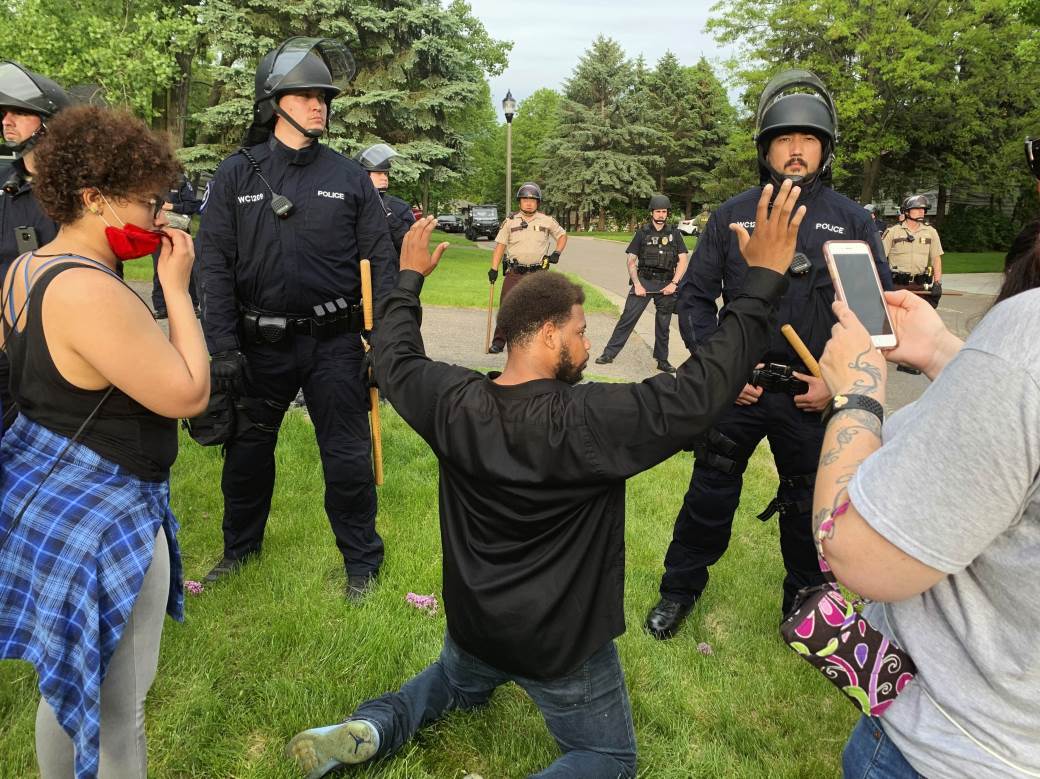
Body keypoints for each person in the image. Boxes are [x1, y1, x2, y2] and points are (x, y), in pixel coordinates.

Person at [286, 182, 807, 778]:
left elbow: (395, 356)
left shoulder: (452, 401)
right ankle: (382, 726)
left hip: (476, 624)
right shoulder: (590, 420)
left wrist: (408, 279)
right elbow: (701, 391)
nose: (587, 344)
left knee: (455, 681)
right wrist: (762, 281)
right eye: (581, 332)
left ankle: (373, 727)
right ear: (550, 334)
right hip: (561, 647)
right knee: (610, 758)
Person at [645, 69, 892, 640]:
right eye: (784, 139)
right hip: (741, 388)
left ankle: (805, 602)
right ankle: (679, 590)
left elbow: (871, 318)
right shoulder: (732, 215)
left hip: (811, 395)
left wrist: (836, 384)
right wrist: (724, 371)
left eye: (808, 139)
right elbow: (695, 300)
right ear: (765, 149)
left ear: (825, 149)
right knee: (709, 493)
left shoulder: (851, 222)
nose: (796, 150)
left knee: (809, 506)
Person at [0, 105, 208, 779]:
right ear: (93, 198)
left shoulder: (25, 269)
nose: (159, 217)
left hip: (50, 505)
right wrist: (176, 291)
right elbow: (188, 393)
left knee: (63, 686)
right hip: (106, 515)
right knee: (119, 711)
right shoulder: (92, 290)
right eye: (148, 203)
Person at [813, 217, 1040, 779]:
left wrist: (857, 394)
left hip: (959, 743)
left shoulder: (1028, 335)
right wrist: (943, 352)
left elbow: (858, 555)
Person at [195, 37, 397, 599]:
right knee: (247, 454)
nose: (319, 106)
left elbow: (381, 264)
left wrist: (384, 343)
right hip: (258, 347)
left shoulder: (349, 177)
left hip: (335, 347)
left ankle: (361, 562)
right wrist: (222, 348)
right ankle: (240, 551)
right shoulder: (236, 175)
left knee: (348, 457)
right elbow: (213, 265)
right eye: (306, 95)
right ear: (273, 102)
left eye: (324, 97)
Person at [0, 61, 70, 429]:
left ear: (47, 122)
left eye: (19, 112)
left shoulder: (78, 191)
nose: (6, 121)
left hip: (57, 349)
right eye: (3, 113)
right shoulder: (3, 182)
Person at [595, 194, 689, 372]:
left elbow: (683, 259)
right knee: (627, 319)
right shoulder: (642, 233)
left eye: (664, 211)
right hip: (644, 282)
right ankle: (609, 354)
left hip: (666, 284)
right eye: (658, 211)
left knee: (663, 325)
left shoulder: (675, 234)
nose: (661, 215)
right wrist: (637, 285)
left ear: (667, 213)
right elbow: (631, 261)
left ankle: (662, 360)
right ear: (652, 212)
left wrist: (674, 284)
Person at [486, 182, 567, 353]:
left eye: (532, 200)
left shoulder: (547, 220)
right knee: (507, 305)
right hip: (515, 272)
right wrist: (493, 268)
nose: (529, 203)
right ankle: (499, 342)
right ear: (520, 202)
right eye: (525, 200)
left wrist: (557, 252)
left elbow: (562, 235)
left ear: (538, 202)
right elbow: (500, 246)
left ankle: (539, 342)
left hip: (538, 274)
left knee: (541, 309)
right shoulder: (510, 222)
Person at [150, 173, 203, 318]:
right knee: (159, 268)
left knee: (186, 267)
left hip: (179, 232)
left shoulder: (181, 180)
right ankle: (162, 307)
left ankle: (193, 305)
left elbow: (192, 206)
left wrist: (172, 206)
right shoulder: (150, 179)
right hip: (159, 232)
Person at [882, 194, 943, 309]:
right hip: (897, 287)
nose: (922, 212)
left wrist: (937, 283)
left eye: (923, 209)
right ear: (906, 212)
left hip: (920, 287)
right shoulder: (892, 232)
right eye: (917, 208)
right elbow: (880, 259)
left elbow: (936, 259)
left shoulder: (931, 232)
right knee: (896, 318)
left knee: (919, 318)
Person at [354, 143, 416, 253]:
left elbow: (411, 245)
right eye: (379, 173)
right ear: (363, 174)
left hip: (390, 262)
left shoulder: (399, 207)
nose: (384, 178)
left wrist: (389, 216)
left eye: (386, 174)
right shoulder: (349, 203)